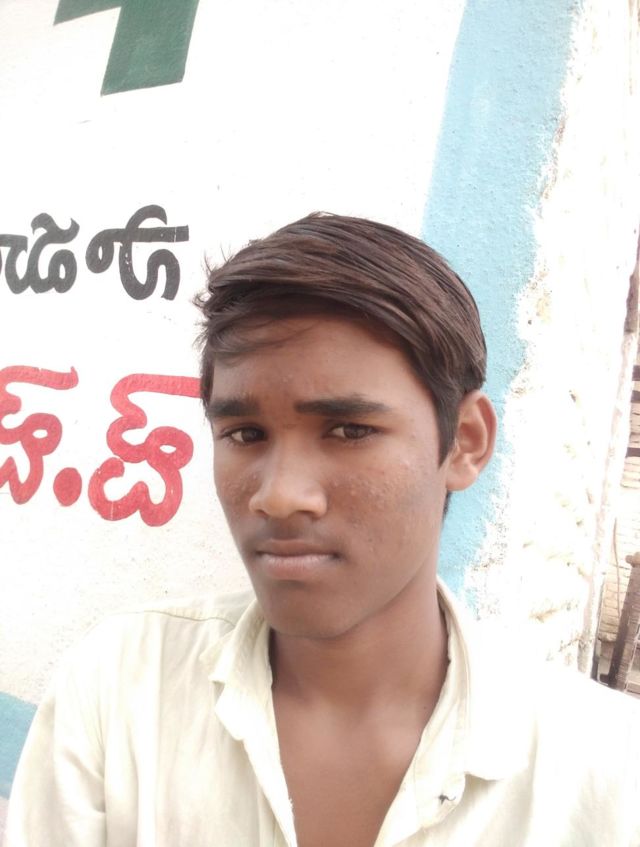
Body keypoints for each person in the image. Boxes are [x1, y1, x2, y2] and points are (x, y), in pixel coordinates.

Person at [4, 213, 639, 846]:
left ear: (465, 442)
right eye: (245, 434)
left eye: (349, 430)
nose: (279, 495)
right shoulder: (120, 687)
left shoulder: (604, 775)